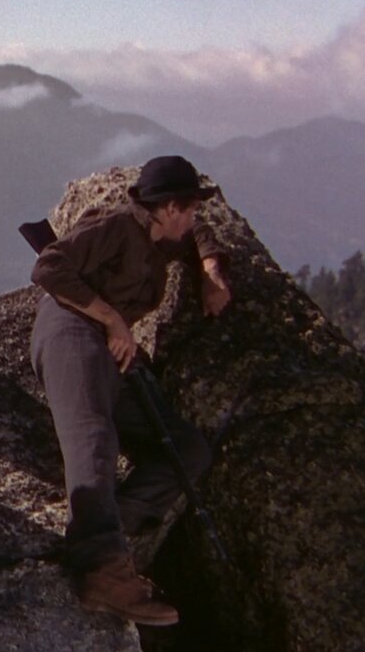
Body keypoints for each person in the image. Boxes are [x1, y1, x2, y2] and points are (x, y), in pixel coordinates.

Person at [29, 156, 231, 627]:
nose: (194, 216)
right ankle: (102, 573)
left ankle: (101, 530)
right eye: (189, 207)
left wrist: (210, 271)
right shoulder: (117, 226)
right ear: (169, 208)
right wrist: (113, 319)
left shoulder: (163, 236)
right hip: (70, 330)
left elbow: (200, 236)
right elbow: (49, 267)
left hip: (108, 347)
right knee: (92, 437)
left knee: (186, 450)